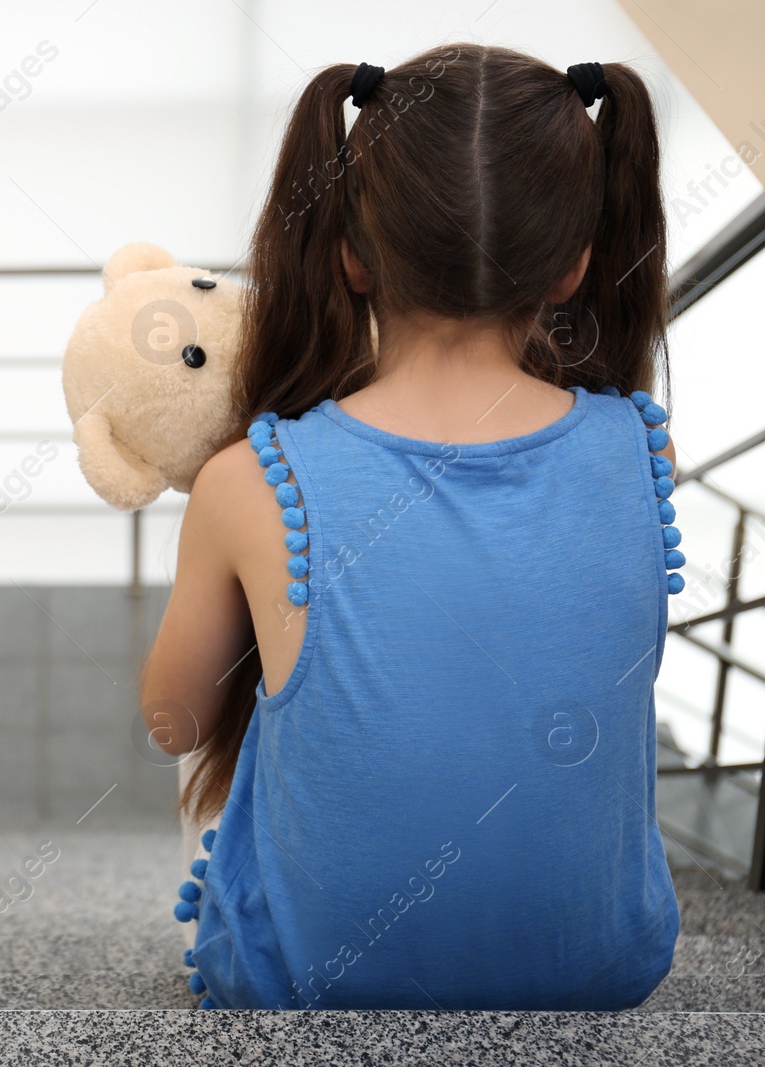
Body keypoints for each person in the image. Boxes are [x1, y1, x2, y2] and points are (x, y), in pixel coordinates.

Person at [140, 44, 682, 1011]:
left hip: (303, 983)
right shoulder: (642, 450)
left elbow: (172, 719)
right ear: (572, 264)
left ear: (350, 254)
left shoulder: (252, 479)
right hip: (602, 967)